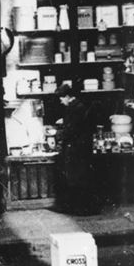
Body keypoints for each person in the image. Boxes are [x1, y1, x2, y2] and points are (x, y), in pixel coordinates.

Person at [55, 82, 96, 213]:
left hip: (76, 149)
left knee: (76, 179)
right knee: (78, 178)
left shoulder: (75, 109)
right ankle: (80, 207)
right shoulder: (77, 107)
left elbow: (72, 130)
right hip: (79, 148)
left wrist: (59, 134)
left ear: (67, 96)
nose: (61, 101)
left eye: (61, 98)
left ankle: (80, 208)